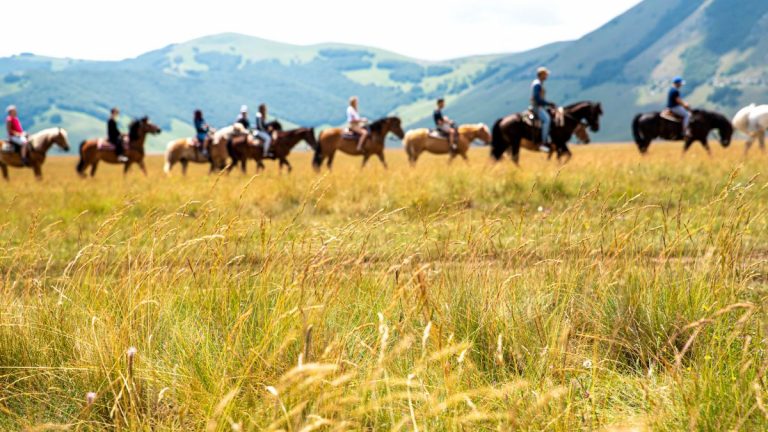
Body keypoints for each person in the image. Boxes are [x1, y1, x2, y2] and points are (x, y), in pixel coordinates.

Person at [531, 67, 556, 146]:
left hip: (540, 106)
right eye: (545, 74)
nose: (546, 76)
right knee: (547, 120)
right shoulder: (537, 84)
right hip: (537, 107)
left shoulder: (538, 83)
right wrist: (548, 103)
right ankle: (543, 142)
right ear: (541, 75)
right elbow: (537, 98)